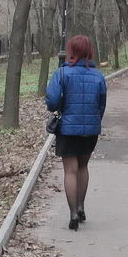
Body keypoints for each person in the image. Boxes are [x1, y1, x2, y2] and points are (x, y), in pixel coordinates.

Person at [46, 35, 107, 231]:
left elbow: (52, 102)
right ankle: (81, 207)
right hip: (91, 129)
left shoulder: (62, 74)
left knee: (70, 170)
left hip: (68, 129)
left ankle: (72, 212)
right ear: (89, 51)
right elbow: (101, 105)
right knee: (83, 167)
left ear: (71, 51)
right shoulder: (98, 76)